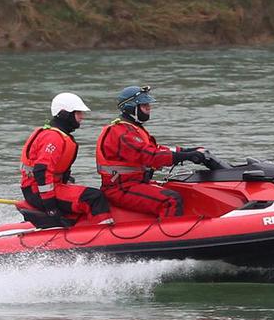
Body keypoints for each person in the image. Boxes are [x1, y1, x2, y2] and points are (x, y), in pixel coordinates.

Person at [95, 85, 209, 219]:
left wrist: (187, 151)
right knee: (171, 200)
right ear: (131, 108)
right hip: (120, 188)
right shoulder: (121, 133)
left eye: (148, 105)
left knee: (180, 189)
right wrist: (186, 156)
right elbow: (150, 156)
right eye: (144, 106)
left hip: (135, 183)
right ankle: (170, 237)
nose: (148, 109)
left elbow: (156, 149)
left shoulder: (133, 129)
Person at [20, 92, 110, 228]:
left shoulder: (57, 135)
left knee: (93, 194)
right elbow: (42, 171)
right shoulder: (53, 137)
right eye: (78, 112)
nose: (82, 117)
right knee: (94, 197)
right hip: (37, 192)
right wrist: (50, 207)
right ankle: (103, 232)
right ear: (64, 114)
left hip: (43, 188)